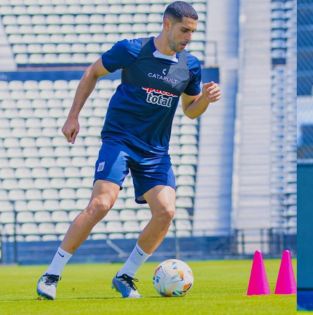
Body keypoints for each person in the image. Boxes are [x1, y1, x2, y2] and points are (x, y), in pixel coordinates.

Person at [36, 1, 221, 300]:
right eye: (184, 30)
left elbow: (190, 110)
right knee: (101, 204)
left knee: (166, 211)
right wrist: (73, 116)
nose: (188, 37)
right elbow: (92, 72)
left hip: (155, 151)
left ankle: (125, 276)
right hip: (120, 140)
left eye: (193, 32)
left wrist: (206, 100)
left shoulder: (190, 65)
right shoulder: (132, 50)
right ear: (167, 24)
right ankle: (51, 274)